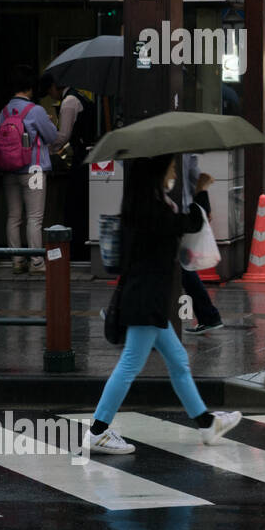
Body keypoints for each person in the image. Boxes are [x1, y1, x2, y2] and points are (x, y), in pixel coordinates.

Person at [82, 155, 241, 454]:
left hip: (147, 298)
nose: (172, 174)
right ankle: (98, 430)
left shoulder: (143, 205)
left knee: (178, 361)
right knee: (130, 364)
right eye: (169, 169)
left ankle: (206, 423)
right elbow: (190, 223)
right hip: (146, 300)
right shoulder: (150, 210)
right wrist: (201, 192)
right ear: (155, 174)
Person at [0, 67, 59, 274]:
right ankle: (37, 262)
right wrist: (50, 123)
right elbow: (52, 138)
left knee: (13, 216)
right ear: (31, 87)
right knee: (34, 217)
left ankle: (16, 260)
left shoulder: (4, 112)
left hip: (9, 172)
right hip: (34, 171)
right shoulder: (36, 111)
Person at [44, 74, 98, 262]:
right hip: (90, 156)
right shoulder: (82, 97)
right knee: (84, 204)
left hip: (81, 158)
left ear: (54, 86)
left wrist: (48, 145)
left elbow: (63, 136)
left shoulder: (68, 102)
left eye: (49, 90)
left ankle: (75, 251)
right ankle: (82, 249)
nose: (50, 95)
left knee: (74, 205)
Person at [179, 155, 224, 334]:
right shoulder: (187, 152)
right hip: (186, 210)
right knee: (184, 268)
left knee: (184, 268)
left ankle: (209, 315)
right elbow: (195, 176)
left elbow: (194, 176)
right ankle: (209, 316)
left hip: (178, 213)